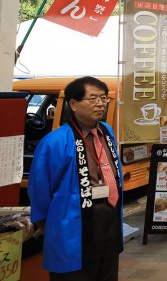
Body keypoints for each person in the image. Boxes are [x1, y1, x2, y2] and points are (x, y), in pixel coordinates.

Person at [29, 76, 123, 280]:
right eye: (93, 98)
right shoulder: (55, 142)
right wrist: (47, 227)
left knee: (106, 271)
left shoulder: (106, 131)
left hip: (109, 216)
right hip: (73, 223)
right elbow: (40, 191)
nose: (100, 103)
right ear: (73, 104)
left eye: (103, 98)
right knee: (76, 274)